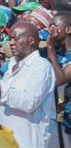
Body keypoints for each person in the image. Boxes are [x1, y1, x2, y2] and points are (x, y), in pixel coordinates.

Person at [0, 22, 59, 147]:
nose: (11, 43)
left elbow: (29, 102)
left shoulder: (41, 66)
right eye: (10, 39)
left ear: (30, 41)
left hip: (27, 141)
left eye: (16, 38)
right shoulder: (11, 65)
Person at [45, 12, 71, 147]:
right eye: (49, 26)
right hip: (57, 114)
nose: (51, 30)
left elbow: (60, 80)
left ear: (68, 29)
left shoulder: (53, 52)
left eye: (55, 26)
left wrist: (50, 48)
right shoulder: (55, 52)